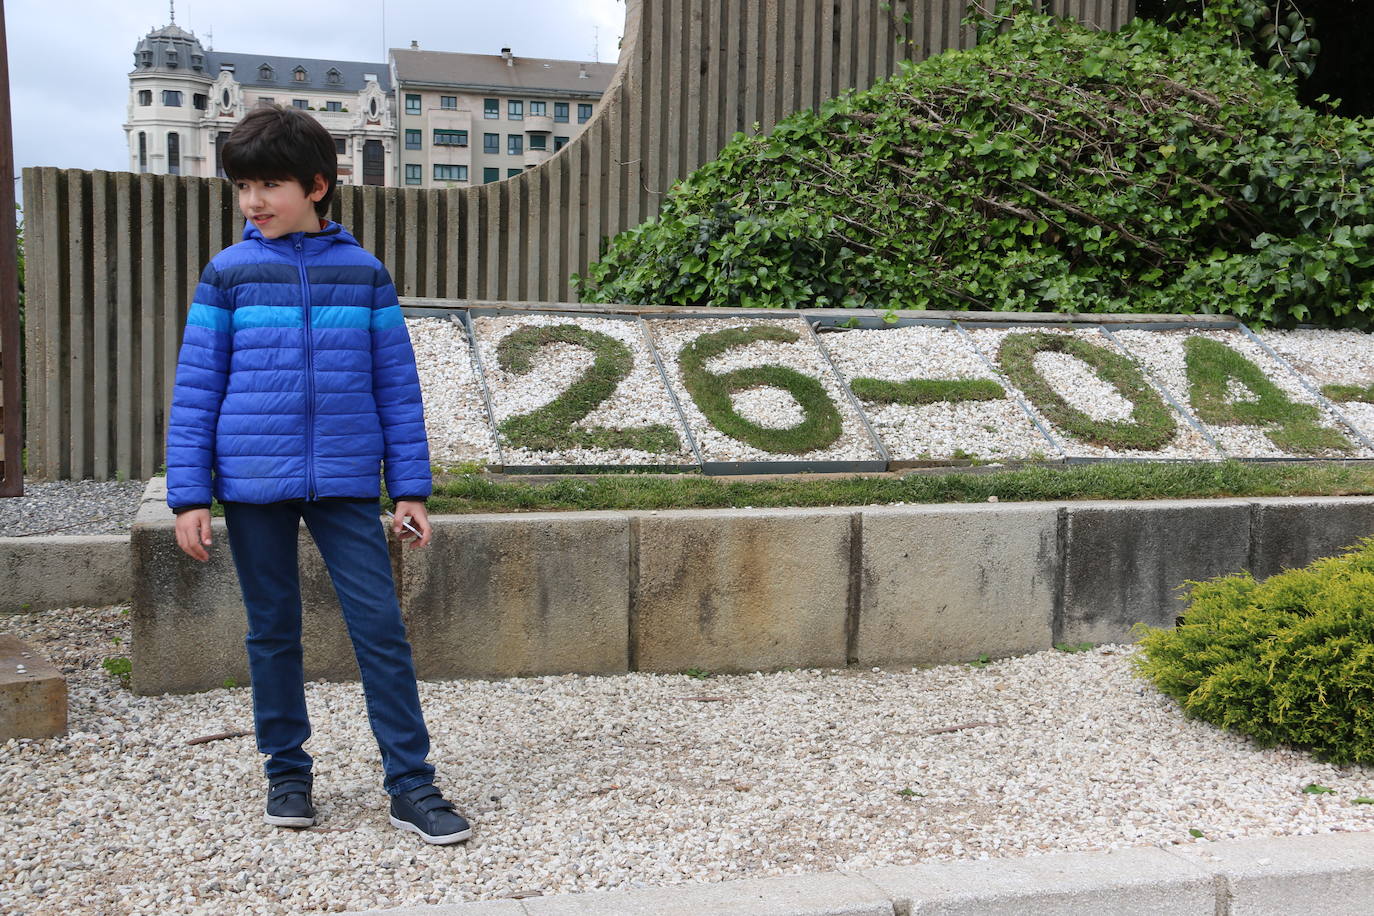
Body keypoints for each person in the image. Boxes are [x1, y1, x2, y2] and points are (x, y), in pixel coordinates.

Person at [164, 105, 470, 845]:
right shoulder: (228, 275)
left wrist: (411, 489)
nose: (253, 202)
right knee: (272, 633)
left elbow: (397, 387)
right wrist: (188, 496)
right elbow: (197, 386)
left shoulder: (364, 276)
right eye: (242, 187)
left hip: (341, 480)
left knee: (380, 629)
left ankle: (410, 783)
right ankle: (288, 774)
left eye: (269, 184)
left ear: (318, 186)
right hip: (250, 482)